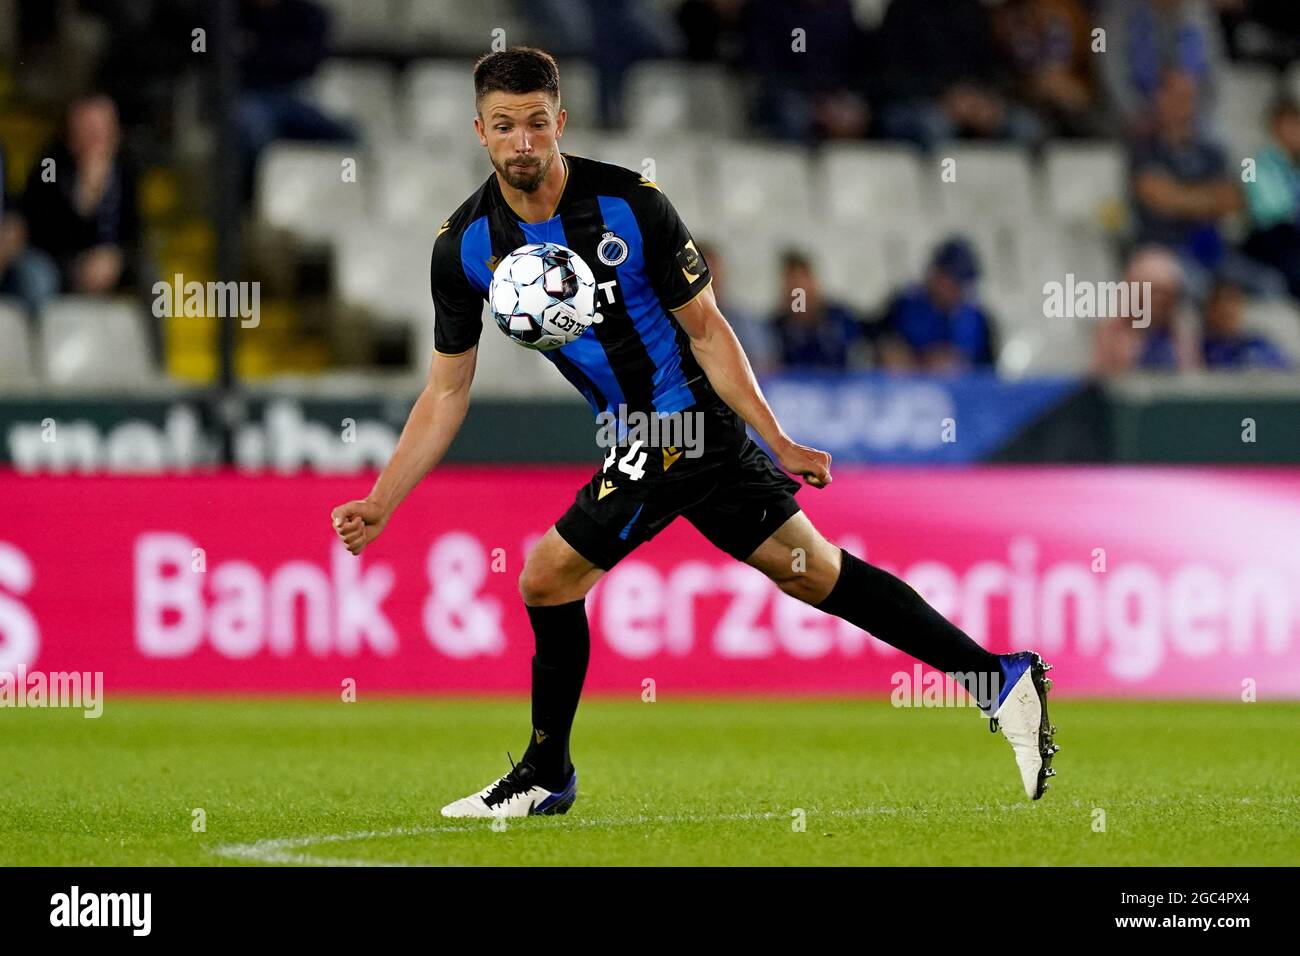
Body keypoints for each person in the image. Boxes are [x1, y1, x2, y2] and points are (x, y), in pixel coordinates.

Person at [330, 48, 1058, 817]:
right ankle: (1000, 680)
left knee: (545, 576)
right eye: (505, 126)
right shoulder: (466, 247)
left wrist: (775, 437)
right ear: (480, 131)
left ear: (560, 122)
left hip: (683, 419)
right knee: (811, 570)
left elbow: (707, 331)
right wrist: (383, 499)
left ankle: (548, 774)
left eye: (537, 124)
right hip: (630, 432)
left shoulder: (631, 205)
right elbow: (447, 389)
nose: (523, 143)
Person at [0, 95, 139, 318]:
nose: (95, 136)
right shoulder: (50, 164)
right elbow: (39, 226)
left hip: (107, 264)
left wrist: (114, 255)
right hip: (54, 260)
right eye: (88, 127)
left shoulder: (126, 170)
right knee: (37, 278)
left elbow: (132, 230)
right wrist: (85, 196)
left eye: (101, 127)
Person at [877, 238, 997, 372]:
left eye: (963, 283)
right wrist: (918, 362)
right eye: (952, 280)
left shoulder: (978, 319)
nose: (957, 289)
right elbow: (882, 351)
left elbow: (989, 372)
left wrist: (960, 363)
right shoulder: (902, 308)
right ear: (935, 274)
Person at [768, 250, 865, 371]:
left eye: (803, 284)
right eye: (792, 286)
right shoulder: (777, 328)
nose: (799, 294)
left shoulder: (841, 319)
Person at [1242, 97, 1300, 302]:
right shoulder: (1254, 162)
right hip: (1271, 235)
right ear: (1274, 128)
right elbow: (1265, 208)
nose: (1293, 132)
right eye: (1287, 125)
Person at [1201, 278, 1292, 371]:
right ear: (1208, 310)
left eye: (1234, 303)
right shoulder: (1200, 348)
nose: (1228, 310)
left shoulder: (1258, 343)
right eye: (1221, 305)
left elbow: (1289, 372)